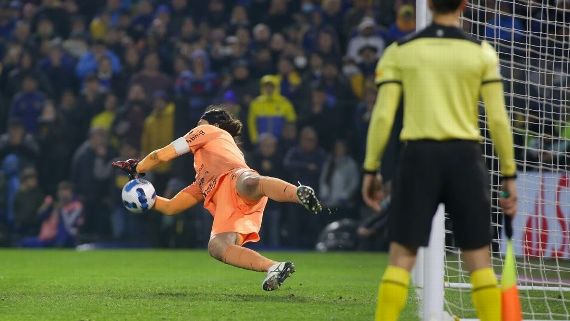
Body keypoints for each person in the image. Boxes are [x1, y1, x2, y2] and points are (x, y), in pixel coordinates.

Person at [360, 1, 518, 321]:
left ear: (428, 5)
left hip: (418, 158)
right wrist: (509, 173)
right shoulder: (481, 52)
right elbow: (499, 120)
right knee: (479, 261)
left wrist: (371, 167)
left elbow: (383, 116)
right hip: (466, 159)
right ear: (463, 5)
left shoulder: (401, 50)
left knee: (401, 258)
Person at [112, 108, 323, 291]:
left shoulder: (210, 131)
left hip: (235, 177)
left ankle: (299, 193)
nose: (195, 128)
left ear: (214, 124)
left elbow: (162, 155)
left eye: (199, 124)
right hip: (227, 203)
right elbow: (170, 207)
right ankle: (274, 267)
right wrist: (145, 198)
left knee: (249, 181)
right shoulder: (203, 180)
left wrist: (137, 167)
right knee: (217, 247)